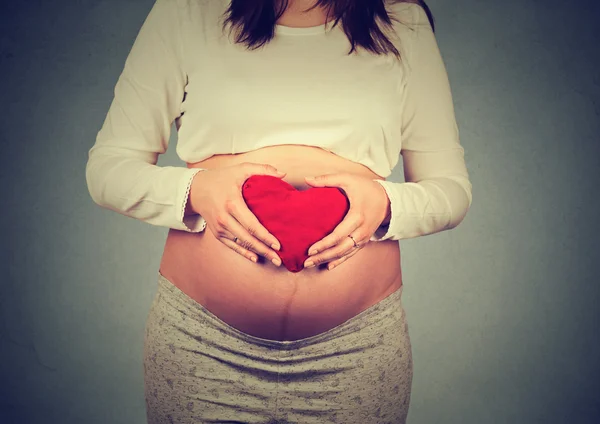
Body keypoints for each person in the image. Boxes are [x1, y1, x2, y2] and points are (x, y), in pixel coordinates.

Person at [85, 0, 472, 422]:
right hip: (203, 346)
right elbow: (108, 171)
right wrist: (196, 190)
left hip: (356, 351)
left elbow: (450, 191)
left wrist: (385, 203)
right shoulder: (186, 10)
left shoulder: (401, 22)